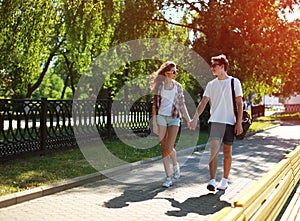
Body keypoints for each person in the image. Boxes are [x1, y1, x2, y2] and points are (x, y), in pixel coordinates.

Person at [190, 54, 243, 191]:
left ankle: (224, 180)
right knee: (213, 151)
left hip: (230, 123)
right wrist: (195, 117)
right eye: (212, 65)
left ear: (222, 67)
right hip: (215, 122)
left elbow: (239, 103)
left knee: (227, 152)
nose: (212, 68)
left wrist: (239, 123)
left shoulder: (234, 82)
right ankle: (212, 180)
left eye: (215, 65)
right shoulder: (211, 84)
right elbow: (203, 103)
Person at [151, 61, 191, 188]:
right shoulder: (159, 86)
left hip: (174, 118)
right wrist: (155, 123)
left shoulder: (178, 86)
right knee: (164, 148)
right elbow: (154, 105)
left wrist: (188, 119)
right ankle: (168, 177)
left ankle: (175, 163)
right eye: (174, 71)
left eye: (176, 71)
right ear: (167, 73)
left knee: (169, 147)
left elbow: (182, 104)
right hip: (161, 117)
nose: (176, 73)